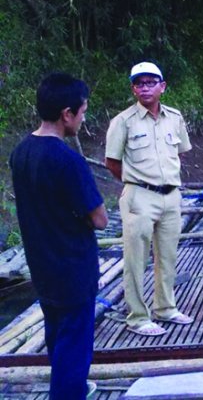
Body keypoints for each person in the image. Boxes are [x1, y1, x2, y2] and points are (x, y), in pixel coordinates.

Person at [10, 72, 108, 399]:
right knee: (75, 351)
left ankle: (70, 389)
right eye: (82, 112)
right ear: (66, 113)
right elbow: (100, 219)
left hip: (43, 267)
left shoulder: (21, 152)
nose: (82, 119)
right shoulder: (68, 161)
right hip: (73, 270)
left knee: (58, 340)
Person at [105, 62, 193, 336]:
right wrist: (137, 182)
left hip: (171, 196)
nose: (145, 87)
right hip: (139, 197)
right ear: (133, 89)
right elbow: (112, 162)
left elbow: (180, 153)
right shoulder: (123, 121)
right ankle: (138, 317)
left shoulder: (174, 118)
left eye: (150, 82)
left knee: (167, 256)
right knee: (136, 259)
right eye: (139, 83)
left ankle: (165, 308)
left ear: (162, 86)